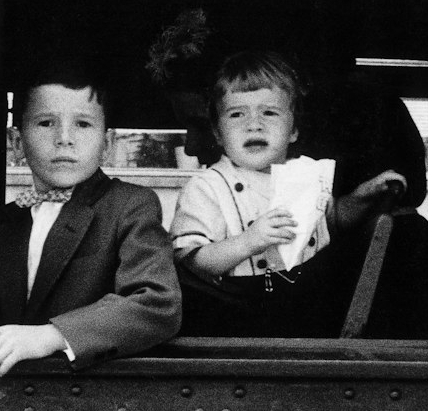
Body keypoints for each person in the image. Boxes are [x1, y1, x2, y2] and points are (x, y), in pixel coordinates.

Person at [0, 67, 181, 375]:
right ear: (16, 142)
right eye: (46, 123)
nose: (64, 139)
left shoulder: (130, 205)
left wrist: (51, 335)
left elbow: (157, 304)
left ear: (107, 145)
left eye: (82, 124)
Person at [170, 50, 405, 337]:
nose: (253, 124)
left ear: (293, 130)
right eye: (236, 114)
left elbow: (331, 222)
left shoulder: (304, 175)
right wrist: (249, 241)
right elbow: (192, 262)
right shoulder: (207, 186)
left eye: (269, 112)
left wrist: (363, 196)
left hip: (307, 309)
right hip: (238, 316)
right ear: (218, 133)